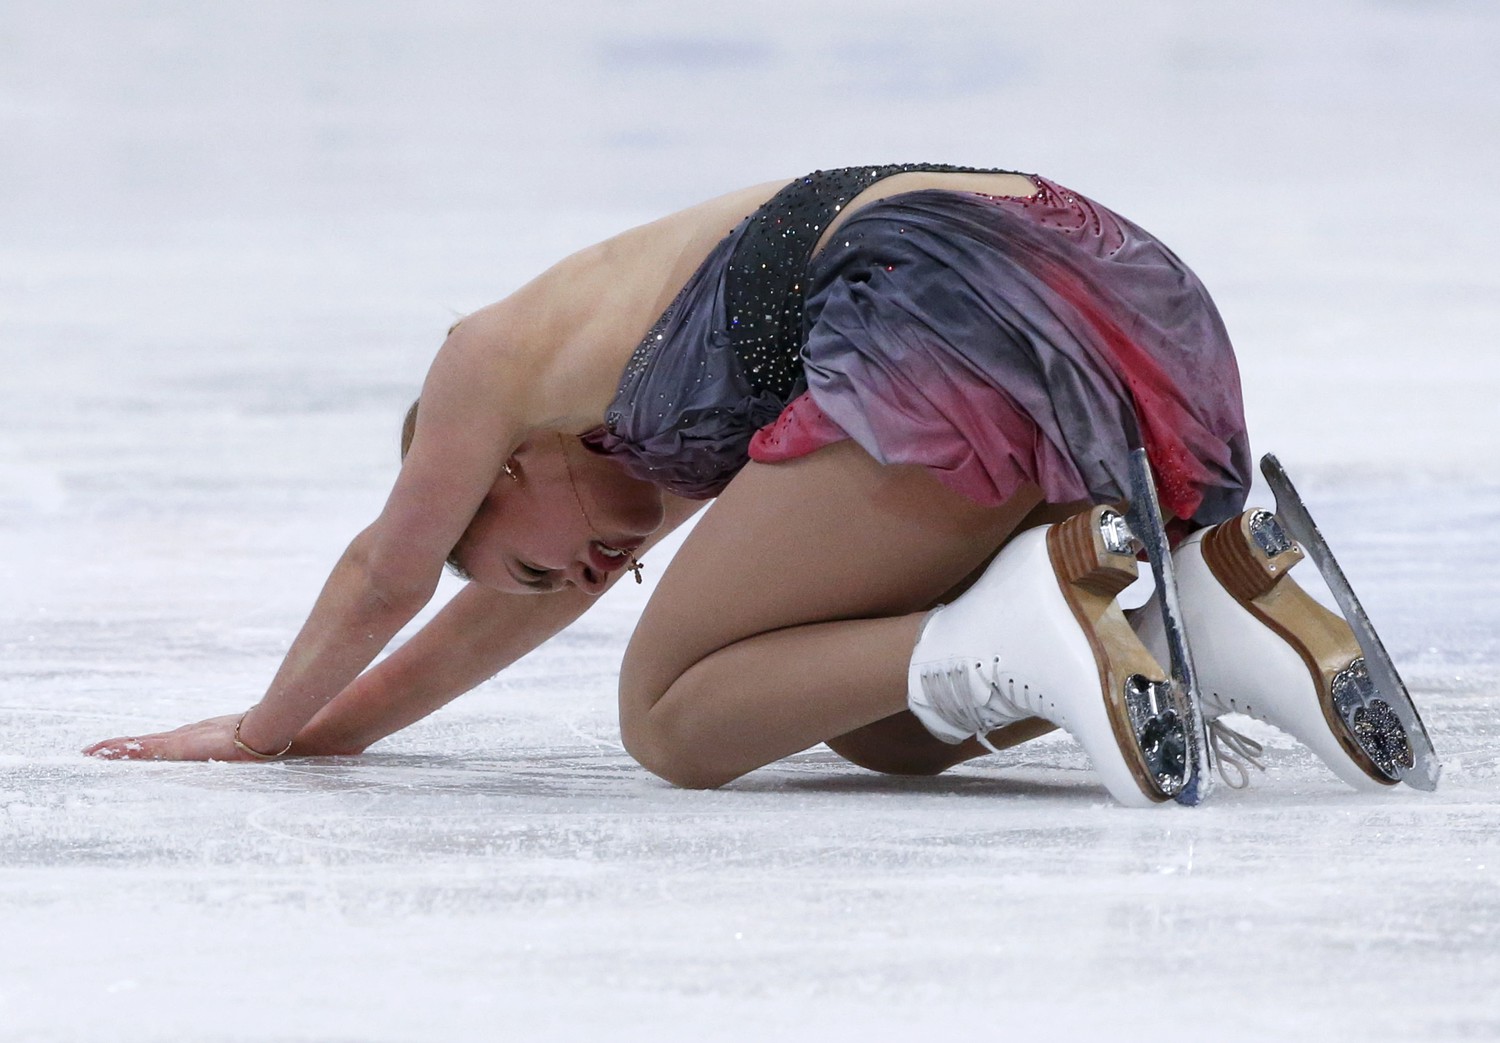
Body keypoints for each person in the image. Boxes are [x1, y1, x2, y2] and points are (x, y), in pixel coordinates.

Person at [84, 164, 1405, 806]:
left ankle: (1063, 616)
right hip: (1116, 290)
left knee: (672, 719)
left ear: (503, 465)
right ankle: (1208, 606)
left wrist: (260, 733)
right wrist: (341, 736)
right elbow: (506, 606)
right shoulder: (618, 451)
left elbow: (393, 572)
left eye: (536, 557)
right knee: (877, 724)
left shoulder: (488, 363)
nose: (587, 581)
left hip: (950, 298)